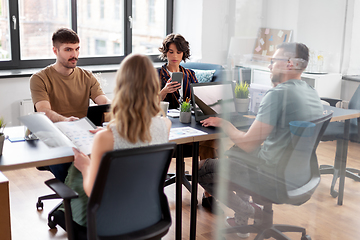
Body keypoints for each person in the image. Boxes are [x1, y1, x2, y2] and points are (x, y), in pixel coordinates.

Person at [198, 42, 324, 238]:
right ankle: (244, 219)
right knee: (236, 152)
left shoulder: (278, 94)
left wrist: (224, 123)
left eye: (274, 61)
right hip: (300, 176)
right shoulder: (312, 93)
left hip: (271, 177)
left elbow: (249, 143)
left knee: (203, 170)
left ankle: (250, 211)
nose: (269, 66)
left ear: (289, 64)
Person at [66, 54, 171, 231]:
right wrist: (109, 133)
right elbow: (140, 140)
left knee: (76, 174)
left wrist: (85, 166)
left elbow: (93, 191)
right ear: (154, 85)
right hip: (150, 216)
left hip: (110, 224)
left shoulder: (106, 138)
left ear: (121, 87)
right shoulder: (165, 125)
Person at [30, 28, 110, 182]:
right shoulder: (40, 78)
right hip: (55, 137)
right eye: (68, 50)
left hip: (83, 135)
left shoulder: (87, 76)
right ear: (55, 50)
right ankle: (72, 201)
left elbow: (104, 102)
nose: (74, 55)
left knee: (112, 158)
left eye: (77, 49)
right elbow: (44, 110)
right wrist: (66, 121)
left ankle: (91, 197)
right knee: (69, 172)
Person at [158, 33, 198, 109]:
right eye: (171, 52)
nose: (175, 56)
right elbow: (148, 103)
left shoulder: (190, 74)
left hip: (187, 116)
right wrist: (164, 91)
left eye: (178, 52)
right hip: (167, 117)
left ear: (183, 53)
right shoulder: (155, 74)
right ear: (166, 52)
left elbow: (199, 99)